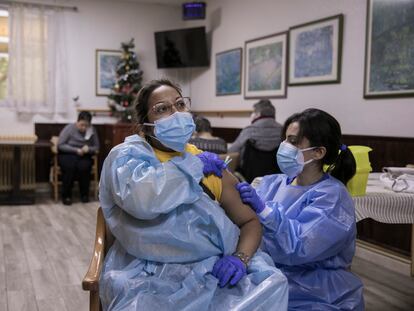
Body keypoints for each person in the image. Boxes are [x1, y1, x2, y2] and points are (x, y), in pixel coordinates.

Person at [98, 79, 288, 310]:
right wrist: (193, 167)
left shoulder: (210, 166)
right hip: (146, 270)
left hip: (211, 268)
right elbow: (143, 199)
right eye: (162, 109)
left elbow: (249, 221)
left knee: (273, 284)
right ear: (145, 125)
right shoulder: (129, 158)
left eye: (180, 104)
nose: (175, 113)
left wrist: (240, 258)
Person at [236, 108, 365, 310]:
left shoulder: (333, 197)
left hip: (313, 289)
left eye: (293, 142)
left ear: (319, 152)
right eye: (285, 139)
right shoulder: (271, 183)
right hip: (266, 273)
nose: (284, 147)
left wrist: (264, 211)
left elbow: (299, 248)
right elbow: (242, 222)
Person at [57, 111, 99, 205]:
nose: (84, 128)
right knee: (69, 168)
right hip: (68, 153)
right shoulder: (69, 128)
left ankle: (84, 195)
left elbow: (96, 147)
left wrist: (88, 149)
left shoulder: (92, 130)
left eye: (86, 125)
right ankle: (66, 196)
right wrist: (76, 150)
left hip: (84, 154)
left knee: (84, 168)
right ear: (77, 122)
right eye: (82, 125)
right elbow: (60, 145)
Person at [228, 99, 282, 166]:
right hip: (277, 174)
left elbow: (231, 152)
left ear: (258, 114)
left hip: (250, 174)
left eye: (252, 112)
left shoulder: (249, 130)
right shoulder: (283, 130)